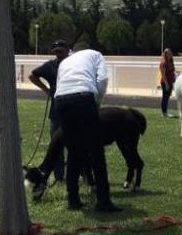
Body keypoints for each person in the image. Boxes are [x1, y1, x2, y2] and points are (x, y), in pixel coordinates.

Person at [53, 42, 121, 212]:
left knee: (73, 151)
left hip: (61, 100)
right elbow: (103, 80)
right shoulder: (96, 54)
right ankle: (103, 201)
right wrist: (97, 103)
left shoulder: (65, 61)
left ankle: (73, 199)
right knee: (96, 151)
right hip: (83, 97)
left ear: (73, 51)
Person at [28, 39, 70, 184]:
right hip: (56, 112)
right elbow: (32, 76)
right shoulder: (50, 66)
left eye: (61, 51)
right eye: (56, 51)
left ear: (67, 50)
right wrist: (46, 90)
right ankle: (59, 177)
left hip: (74, 110)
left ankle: (84, 175)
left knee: (77, 144)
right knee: (56, 145)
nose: (59, 54)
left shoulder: (75, 64)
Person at [159, 48, 177, 118]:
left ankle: (165, 112)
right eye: (168, 54)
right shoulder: (163, 63)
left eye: (170, 53)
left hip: (170, 82)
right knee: (165, 97)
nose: (169, 55)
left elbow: (173, 72)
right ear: (165, 54)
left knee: (167, 97)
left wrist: (174, 79)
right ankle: (164, 113)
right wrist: (166, 84)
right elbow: (163, 75)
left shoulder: (171, 62)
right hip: (165, 83)